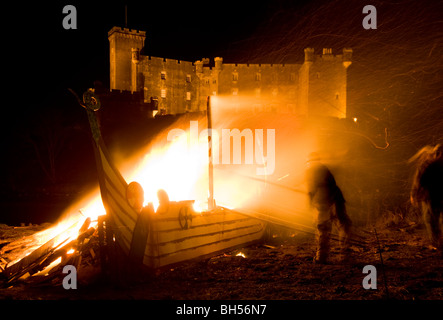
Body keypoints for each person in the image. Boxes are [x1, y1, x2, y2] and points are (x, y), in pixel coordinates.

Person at [305, 152, 352, 264]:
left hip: (323, 202)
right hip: (335, 200)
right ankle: (344, 256)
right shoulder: (324, 169)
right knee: (343, 226)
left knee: (323, 229)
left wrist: (310, 202)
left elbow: (311, 189)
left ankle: (321, 257)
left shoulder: (311, 170)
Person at [409, 144, 443, 257]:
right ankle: (437, 242)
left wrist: (415, 193)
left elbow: (419, 180)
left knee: (432, 219)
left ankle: (437, 242)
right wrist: (415, 194)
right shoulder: (428, 165)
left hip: (434, 196)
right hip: (430, 196)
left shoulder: (430, 164)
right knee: (431, 219)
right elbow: (419, 180)